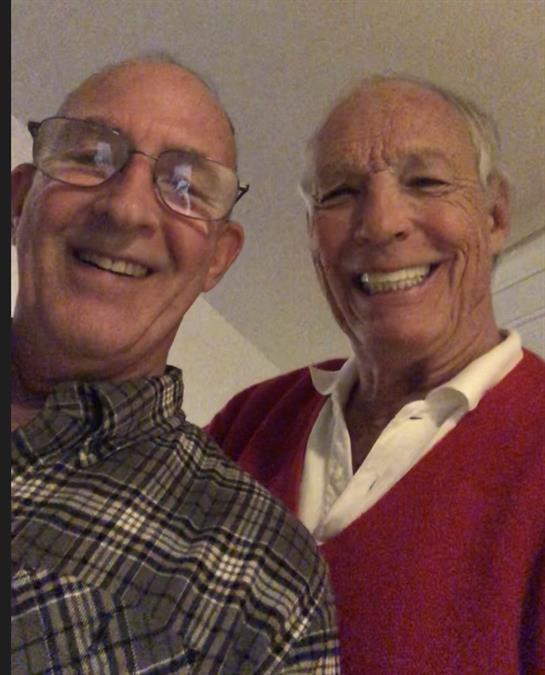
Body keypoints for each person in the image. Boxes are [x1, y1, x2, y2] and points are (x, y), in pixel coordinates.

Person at [11, 56, 340, 674]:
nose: (127, 209)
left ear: (218, 258)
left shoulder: (270, 587)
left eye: (185, 186)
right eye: (90, 156)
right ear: (21, 199)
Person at [207, 76, 545, 674]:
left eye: (426, 182)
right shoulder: (248, 421)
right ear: (312, 237)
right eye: (340, 193)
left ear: (495, 216)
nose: (382, 222)